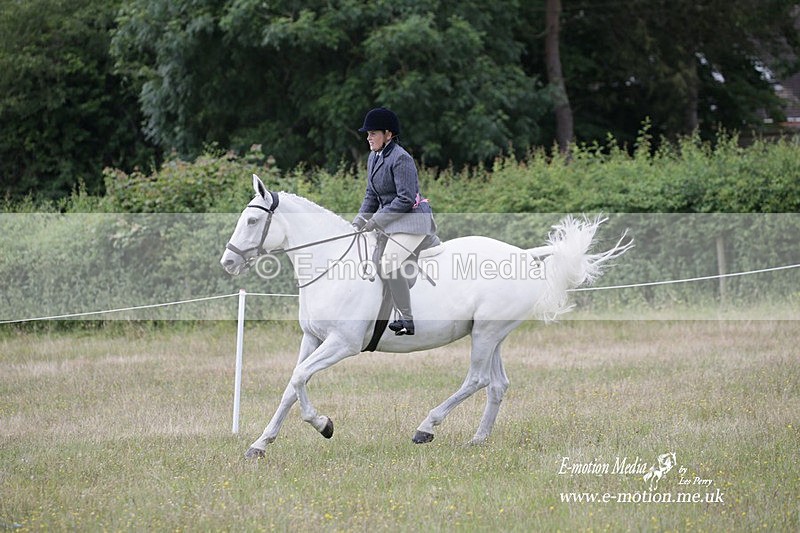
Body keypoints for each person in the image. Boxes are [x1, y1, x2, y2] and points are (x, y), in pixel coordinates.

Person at [352, 107, 437, 336]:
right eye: (367, 133)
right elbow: (371, 195)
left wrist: (377, 220)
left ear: (388, 134)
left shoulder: (401, 158)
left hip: (412, 220)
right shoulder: (374, 157)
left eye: (373, 133)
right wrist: (359, 221)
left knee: (389, 263)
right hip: (393, 221)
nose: (368, 137)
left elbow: (405, 199)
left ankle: (407, 320)